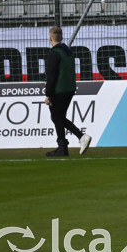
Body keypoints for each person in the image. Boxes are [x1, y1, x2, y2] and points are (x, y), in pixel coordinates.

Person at [44, 26, 91, 157]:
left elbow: (51, 76)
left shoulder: (54, 53)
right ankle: (63, 146)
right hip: (69, 89)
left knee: (57, 117)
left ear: (50, 39)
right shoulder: (68, 52)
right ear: (62, 38)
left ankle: (76, 139)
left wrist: (48, 94)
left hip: (59, 90)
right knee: (59, 117)